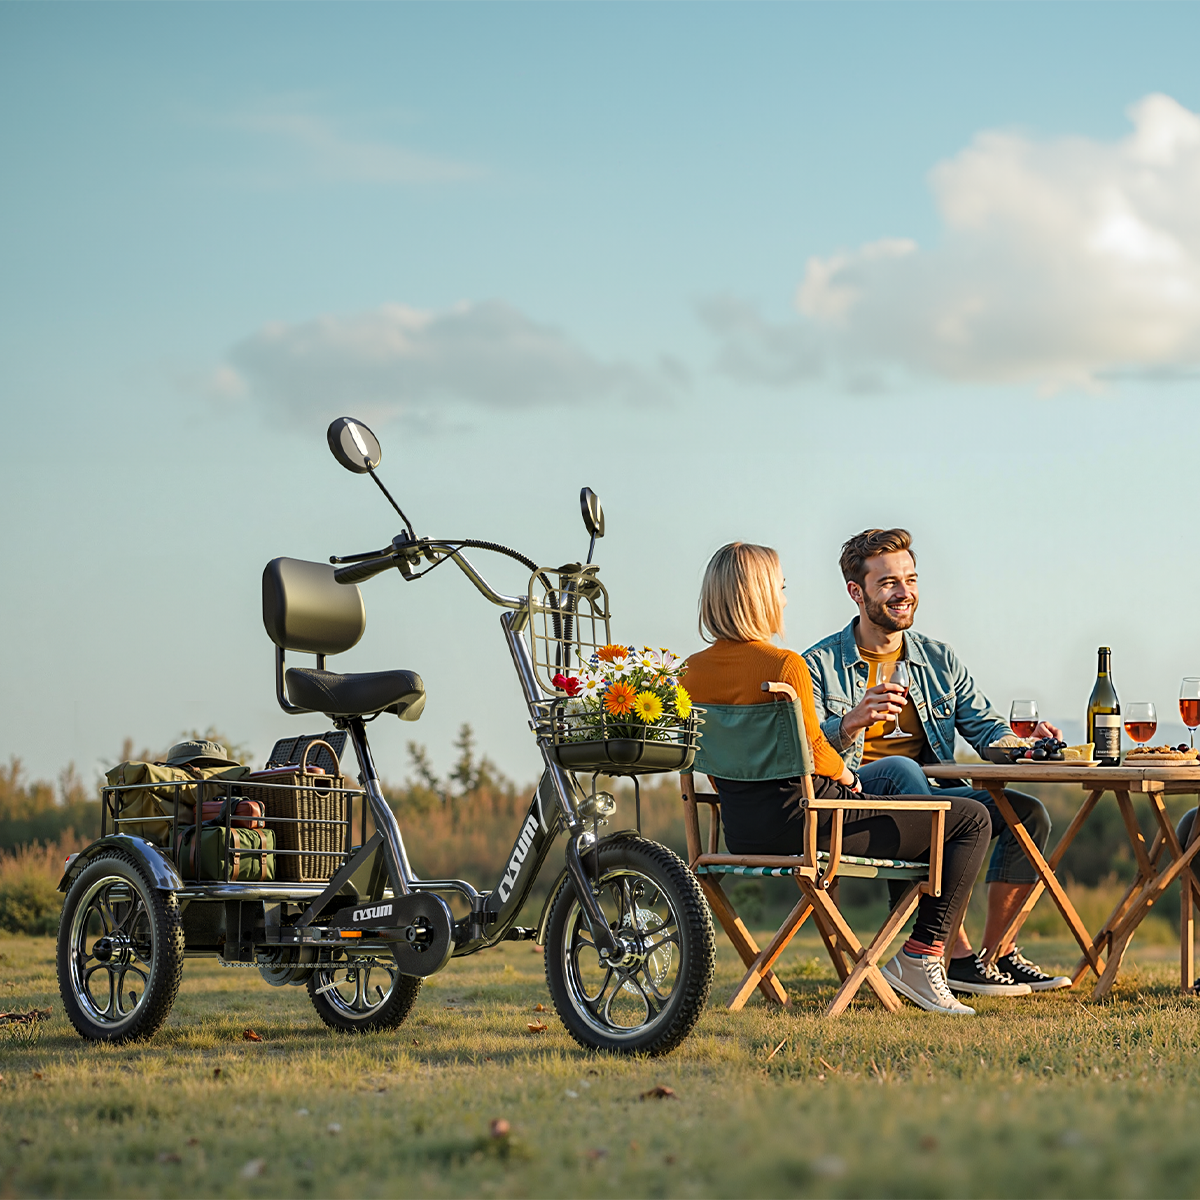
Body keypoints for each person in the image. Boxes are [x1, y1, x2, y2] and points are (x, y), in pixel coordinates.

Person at [684, 541, 991, 1015]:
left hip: (742, 829)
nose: (785, 599)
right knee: (969, 818)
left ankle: (929, 954)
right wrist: (847, 773)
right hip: (812, 821)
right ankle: (922, 956)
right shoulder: (784, 666)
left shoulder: (691, 672)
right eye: (780, 588)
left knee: (898, 776)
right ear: (759, 596)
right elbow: (813, 754)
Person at [803, 528, 1071, 995]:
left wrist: (1024, 746)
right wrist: (850, 722)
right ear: (856, 592)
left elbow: (987, 728)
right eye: (888, 583)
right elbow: (805, 752)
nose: (904, 592)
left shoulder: (938, 660)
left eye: (911, 578)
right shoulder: (818, 665)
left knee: (1027, 814)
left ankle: (994, 954)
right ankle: (951, 953)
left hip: (931, 799)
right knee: (911, 782)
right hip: (856, 803)